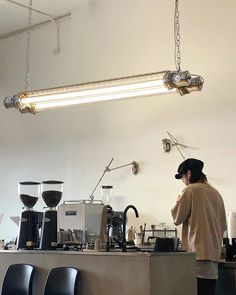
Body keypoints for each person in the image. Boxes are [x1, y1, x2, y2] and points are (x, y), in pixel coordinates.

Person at [171, 158, 227, 295]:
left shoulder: (190, 190)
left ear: (189, 174)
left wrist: (178, 202)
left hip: (196, 259)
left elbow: (177, 218)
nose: (183, 181)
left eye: (182, 177)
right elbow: (224, 226)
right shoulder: (216, 193)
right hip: (213, 260)